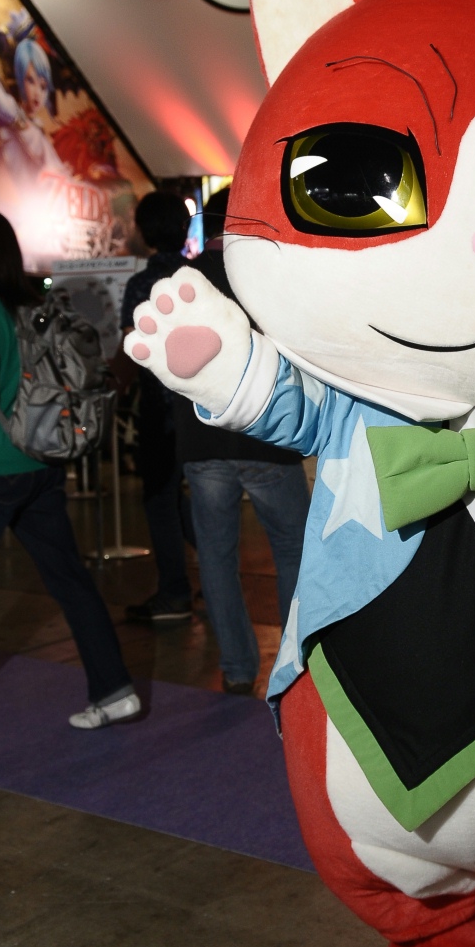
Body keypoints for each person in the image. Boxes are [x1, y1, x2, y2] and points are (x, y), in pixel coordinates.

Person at [0, 205, 139, 728]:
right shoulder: (27, 306)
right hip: (39, 464)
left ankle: (114, 690)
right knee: (70, 581)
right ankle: (115, 690)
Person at [174, 189, 310, 693]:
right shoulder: (266, 276)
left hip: (202, 439)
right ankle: (297, 665)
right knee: (293, 550)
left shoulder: (181, 282)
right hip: (267, 436)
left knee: (215, 556)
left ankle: (235, 669)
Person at [120, 192, 196, 623]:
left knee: (160, 500)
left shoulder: (140, 285)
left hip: (159, 408)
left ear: (146, 232)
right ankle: (219, 576)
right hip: (202, 408)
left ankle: (174, 592)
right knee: (198, 495)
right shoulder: (196, 277)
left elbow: (132, 350)